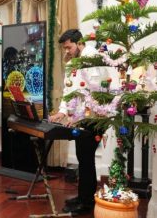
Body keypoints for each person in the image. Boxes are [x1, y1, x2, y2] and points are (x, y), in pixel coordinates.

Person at [49, 29, 118, 215]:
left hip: (94, 118)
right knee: (83, 157)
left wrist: (77, 116)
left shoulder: (91, 58)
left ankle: (86, 203)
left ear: (80, 43)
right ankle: (83, 197)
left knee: (86, 159)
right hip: (81, 117)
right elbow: (69, 91)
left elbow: (95, 93)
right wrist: (62, 113)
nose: (67, 51)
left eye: (69, 47)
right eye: (64, 48)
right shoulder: (73, 63)